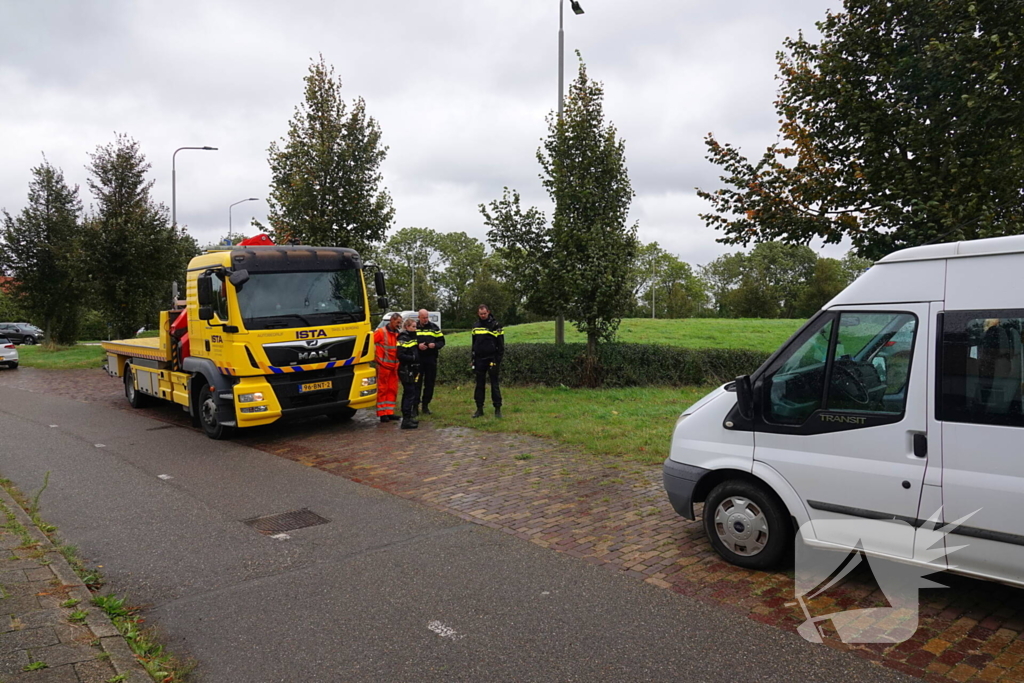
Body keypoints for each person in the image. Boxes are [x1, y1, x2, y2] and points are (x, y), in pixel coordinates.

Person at [471, 303, 504, 418]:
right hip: (479, 359)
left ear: (488, 312)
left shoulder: (495, 325)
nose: (483, 316)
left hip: (492, 358)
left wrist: (497, 360)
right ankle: (479, 409)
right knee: (479, 385)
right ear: (478, 314)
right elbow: (473, 344)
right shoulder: (475, 326)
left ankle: (497, 409)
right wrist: (473, 358)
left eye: (484, 313)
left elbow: (500, 345)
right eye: (481, 314)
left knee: (494, 384)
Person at [372, 313, 402, 423]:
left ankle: (389, 412)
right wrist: (374, 358)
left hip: (394, 367)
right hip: (383, 366)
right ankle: (382, 414)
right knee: (382, 389)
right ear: (391, 320)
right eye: (398, 322)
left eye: (400, 322)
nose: (399, 325)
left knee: (392, 389)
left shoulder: (398, 334)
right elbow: (370, 343)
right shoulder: (381, 332)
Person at [415, 309, 445, 415]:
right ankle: (415, 407)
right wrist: (418, 346)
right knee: (416, 383)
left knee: (429, 383)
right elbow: (408, 341)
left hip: (431, 359)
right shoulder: (414, 328)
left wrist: (435, 345)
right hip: (418, 359)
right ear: (419, 317)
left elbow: (442, 341)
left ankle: (425, 405)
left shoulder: (434, 328)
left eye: (427, 317)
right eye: (423, 318)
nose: (426, 319)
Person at [396, 317, 422, 429]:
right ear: (407, 327)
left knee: (411, 393)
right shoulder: (403, 338)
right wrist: (413, 358)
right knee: (409, 393)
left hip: (412, 369)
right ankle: (406, 420)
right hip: (406, 369)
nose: (415, 329)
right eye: (413, 326)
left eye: (416, 326)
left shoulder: (412, 337)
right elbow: (400, 355)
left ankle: (409, 417)